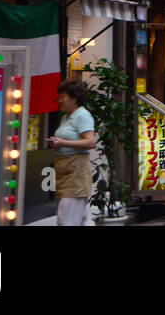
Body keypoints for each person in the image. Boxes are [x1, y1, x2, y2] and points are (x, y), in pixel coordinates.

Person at [49, 79, 97, 226]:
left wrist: (63, 143)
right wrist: (57, 145)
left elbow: (90, 142)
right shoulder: (65, 117)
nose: (60, 100)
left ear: (74, 98)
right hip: (65, 171)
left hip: (75, 171)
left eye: (63, 97)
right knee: (79, 219)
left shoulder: (82, 115)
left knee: (66, 220)